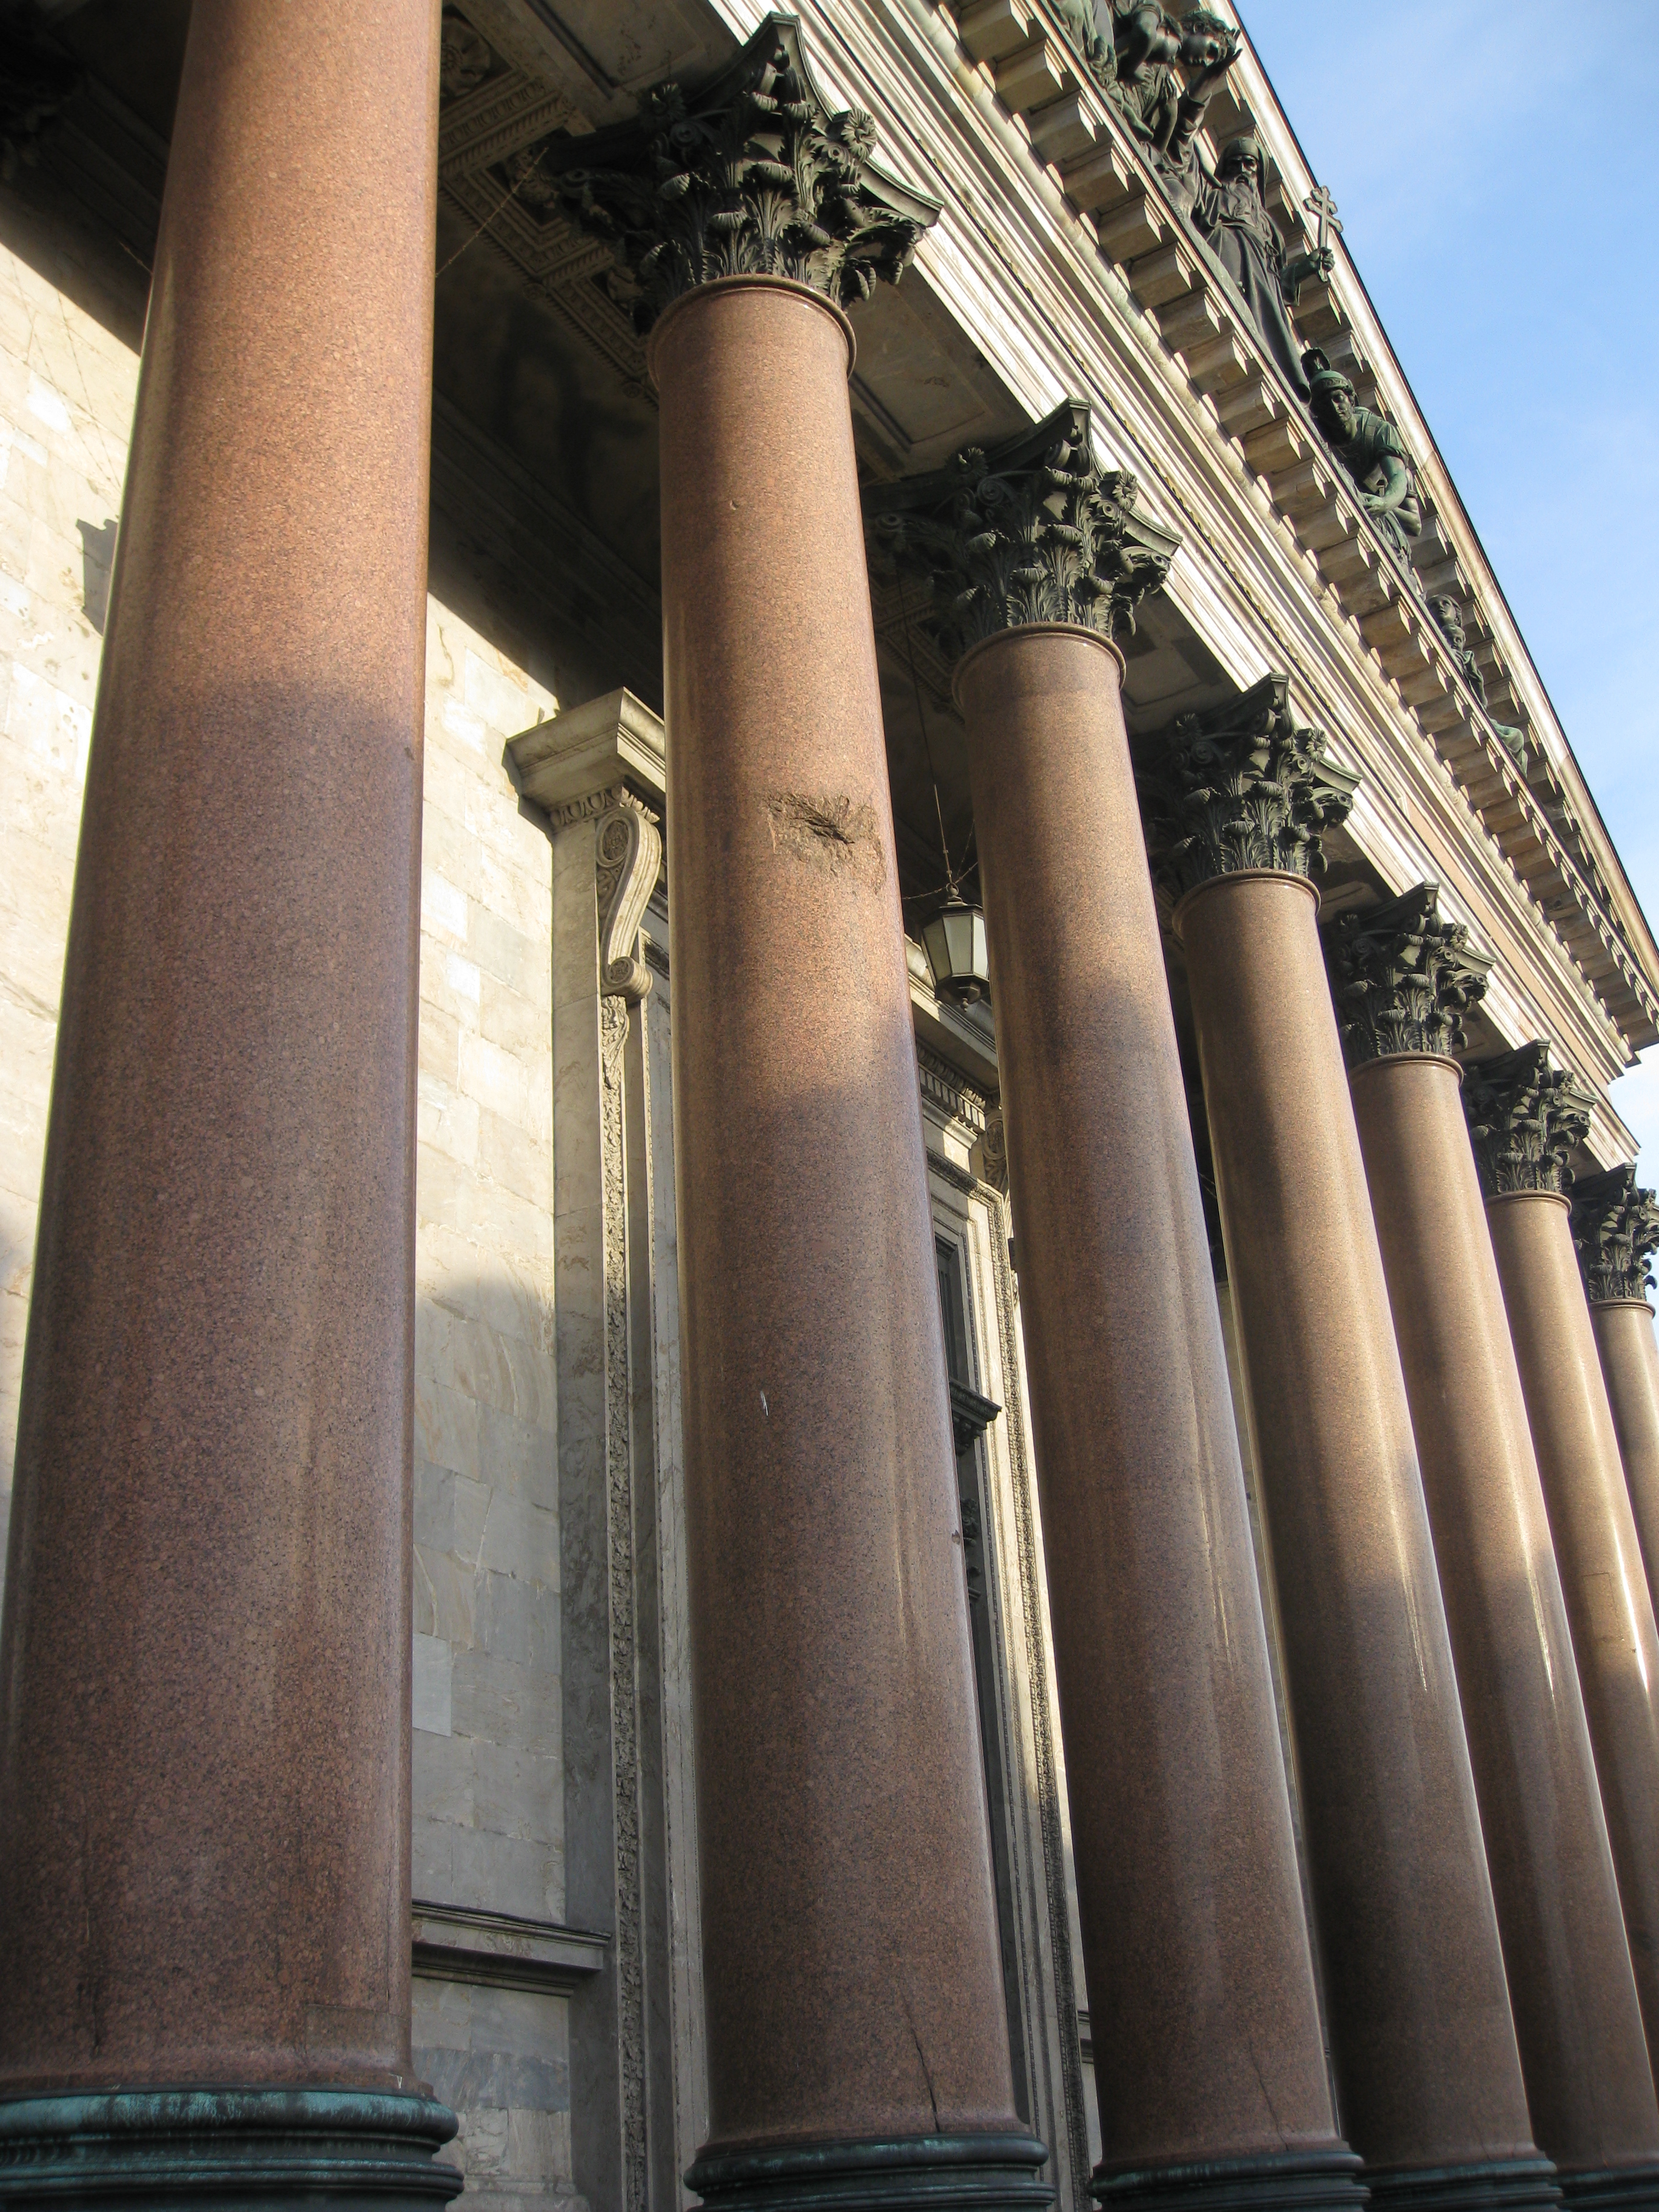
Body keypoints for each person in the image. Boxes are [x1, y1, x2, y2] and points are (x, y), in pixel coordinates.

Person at [1188, 135, 1330, 401]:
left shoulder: (1271, 229)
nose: (1242, 171)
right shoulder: (1215, 195)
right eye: (1236, 164)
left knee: (1269, 323)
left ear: (1258, 174)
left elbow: (1279, 283)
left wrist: (1307, 267)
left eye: (1249, 165)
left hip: (1262, 284)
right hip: (1227, 254)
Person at [1303, 347, 1423, 566]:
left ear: (1352, 400)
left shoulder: (1379, 430)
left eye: (1339, 399)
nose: (1334, 407)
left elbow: (1397, 478)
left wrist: (1385, 503)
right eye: (1325, 404)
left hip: (1390, 495)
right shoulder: (1323, 429)